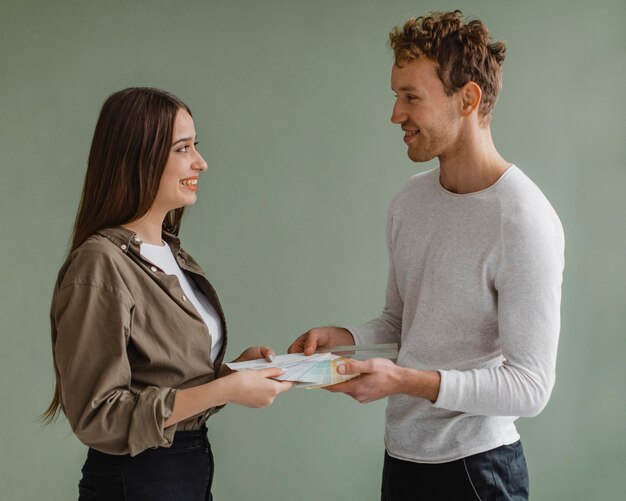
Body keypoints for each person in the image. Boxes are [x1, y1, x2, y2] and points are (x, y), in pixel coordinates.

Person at [289, 11, 564, 500]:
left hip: (479, 471)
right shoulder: (409, 202)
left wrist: (405, 381)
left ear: (468, 99)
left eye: (411, 97)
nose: (396, 114)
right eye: (396, 95)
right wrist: (347, 338)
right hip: (403, 460)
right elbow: (403, 325)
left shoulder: (523, 220)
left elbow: (529, 387)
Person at [43, 87, 293, 500]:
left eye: (196, 146)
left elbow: (164, 380)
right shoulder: (99, 263)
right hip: (138, 479)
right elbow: (97, 415)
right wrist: (224, 390)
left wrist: (231, 374)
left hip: (187, 470)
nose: (201, 162)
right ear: (138, 157)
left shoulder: (171, 253)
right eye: (183, 148)